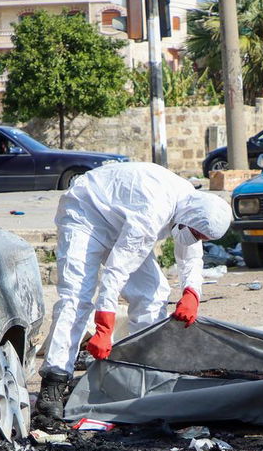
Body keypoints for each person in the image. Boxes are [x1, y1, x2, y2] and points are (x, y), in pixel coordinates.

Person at [34, 161, 232, 422]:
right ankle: (54, 382)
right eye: (196, 234)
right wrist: (104, 326)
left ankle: (144, 371)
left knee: (153, 292)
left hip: (121, 218)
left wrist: (191, 292)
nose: (196, 239)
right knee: (76, 296)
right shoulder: (156, 210)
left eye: (202, 238)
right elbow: (117, 270)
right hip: (86, 211)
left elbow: (191, 255)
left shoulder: (192, 208)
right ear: (190, 219)